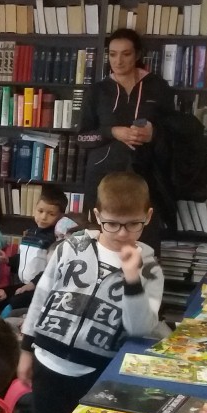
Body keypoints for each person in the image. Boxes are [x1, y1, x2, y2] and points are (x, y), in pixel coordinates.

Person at [15, 171, 165, 413]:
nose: (122, 233)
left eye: (133, 224)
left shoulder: (150, 270)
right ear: (97, 215)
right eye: (112, 224)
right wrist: (26, 349)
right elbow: (42, 297)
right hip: (46, 361)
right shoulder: (70, 247)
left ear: (148, 216)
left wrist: (133, 279)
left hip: (95, 372)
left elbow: (140, 328)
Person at [78, 28, 178, 250]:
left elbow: (176, 133)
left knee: (143, 244)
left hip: (146, 177)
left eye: (126, 54)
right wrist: (112, 132)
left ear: (138, 54)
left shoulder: (158, 87)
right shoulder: (97, 91)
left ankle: (140, 274)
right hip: (102, 177)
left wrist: (154, 133)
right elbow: (82, 137)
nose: (118, 61)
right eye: (113, 54)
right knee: (100, 244)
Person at [9, 184, 68, 311]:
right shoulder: (30, 232)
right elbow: (25, 258)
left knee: (14, 302)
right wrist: (7, 260)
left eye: (51, 214)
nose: (43, 217)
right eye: (40, 211)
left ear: (60, 217)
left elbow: (52, 268)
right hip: (23, 283)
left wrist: (33, 284)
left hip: (39, 287)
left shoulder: (54, 238)